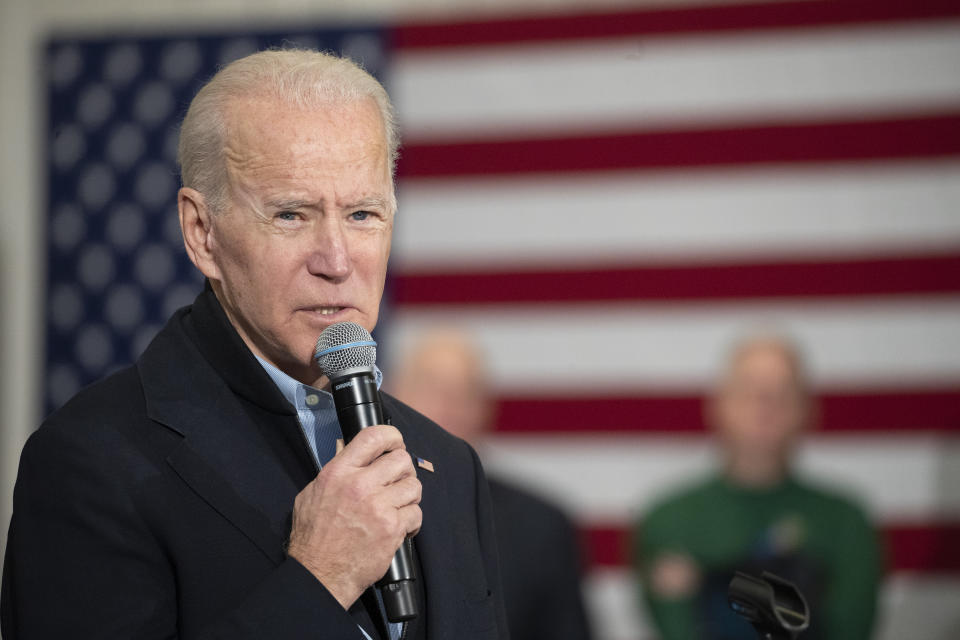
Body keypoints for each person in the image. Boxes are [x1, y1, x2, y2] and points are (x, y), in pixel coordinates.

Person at [1, 49, 508, 640]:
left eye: (363, 214)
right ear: (202, 232)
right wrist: (319, 578)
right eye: (291, 215)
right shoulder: (90, 462)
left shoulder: (447, 465)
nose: (337, 260)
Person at [634, 334, 881, 640]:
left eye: (782, 392)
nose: (765, 403)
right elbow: (678, 630)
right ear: (716, 405)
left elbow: (849, 629)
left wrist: (712, 584)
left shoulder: (845, 521)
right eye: (749, 389)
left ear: (808, 409)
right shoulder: (669, 520)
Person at [390, 329, 593, 640]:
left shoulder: (542, 526)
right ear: (392, 394)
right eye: (431, 385)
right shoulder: (348, 506)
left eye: (466, 391)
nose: (450, 403)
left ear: (487, 408)